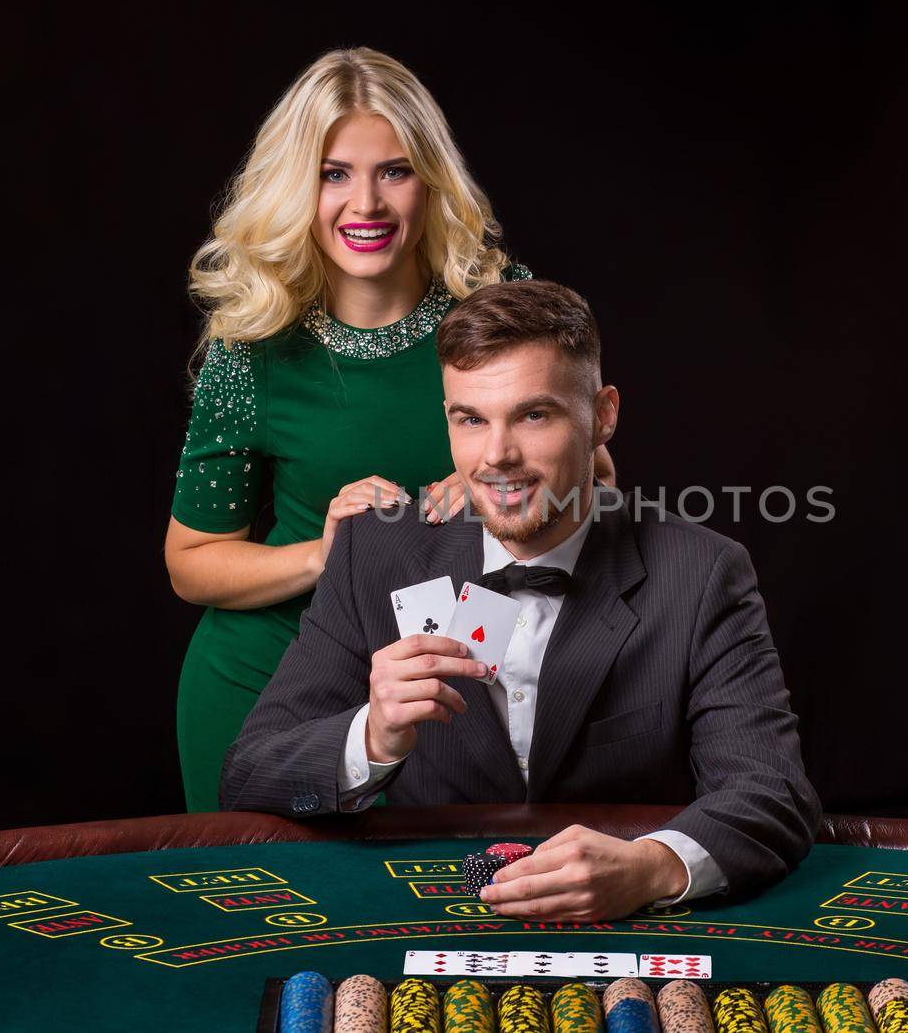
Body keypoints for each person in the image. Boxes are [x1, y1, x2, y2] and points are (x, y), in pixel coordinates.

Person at [221, 279, 820, 920]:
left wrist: (652, 866)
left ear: (604, 415)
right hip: (432, 925)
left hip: (626, 928)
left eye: (534, 415)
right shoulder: (376, 554)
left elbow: (771, 790)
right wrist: (373, 735)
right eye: (471, 419)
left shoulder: (701, 571)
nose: (497, 456)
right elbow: (250, 773)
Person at [164, 47, 615, 812]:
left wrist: (497, 490)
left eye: (394, 171)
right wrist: (323, 554)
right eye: (333, 173)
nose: (365, 203)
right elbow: (190, 561)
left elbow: (597, 478)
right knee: (285, 928)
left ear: (430, 181)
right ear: (293, 187)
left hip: (459, 676)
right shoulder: (250, 347)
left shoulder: (495, 302)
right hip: (272, 681)